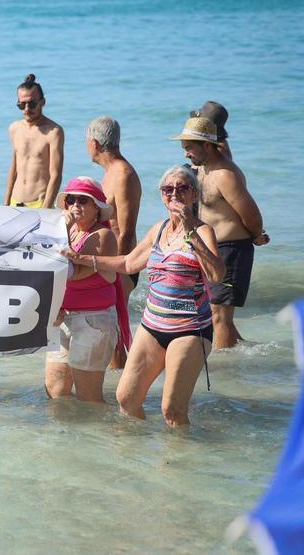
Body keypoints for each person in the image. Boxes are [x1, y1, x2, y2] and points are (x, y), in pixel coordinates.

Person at [64, 165, 225, 426]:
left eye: (182, 188)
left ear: (194, 194)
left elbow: (217, 275)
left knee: (172, 410)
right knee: (126, 399)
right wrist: (81, 258)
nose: (174, 194)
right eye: (168, 189)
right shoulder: (159, 229)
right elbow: (129, 263)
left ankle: (181, 451)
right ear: (162, 195)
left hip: (189, 329)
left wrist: (190, 232)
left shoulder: (203, 231)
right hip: (152, 326)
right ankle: (135, 449)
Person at [173, 116, 269, 349]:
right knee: (213, 312)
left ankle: (225, 366)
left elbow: (252, 215)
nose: (186, 154)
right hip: (209, 247)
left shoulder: (225, 175)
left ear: (207, 145)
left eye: (189, 148)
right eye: (184, 148)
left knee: (219, 316)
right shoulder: (202, 168)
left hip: (231, 251)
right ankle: (246, 353)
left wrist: (256, 236)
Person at [46, 177, 120, 403]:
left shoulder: (102, 235)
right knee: (55, 390)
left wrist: (65, 228)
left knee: (89, 398)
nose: (75, 205)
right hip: (63, 317)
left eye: (83, 200)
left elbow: (73, 271)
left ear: (97, 208)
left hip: (93, 320)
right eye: (71, 199)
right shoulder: (70, 233)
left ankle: (105, 427)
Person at [86, 115, 141, 368]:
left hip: (121, 263)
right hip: (108, 263)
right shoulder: (110, 173)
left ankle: (120, 379)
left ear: (95, 143)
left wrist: (118, 270)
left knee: (115, 327)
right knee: (108, 326)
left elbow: (127, 230)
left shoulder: (123, 174)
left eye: (86, 141)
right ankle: (115, 378)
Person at [3, 73, 64, 208]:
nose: (26, 109)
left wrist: (46, 208)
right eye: (21, 105)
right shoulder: (14, 128)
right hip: (15, 202)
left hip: (39, 204)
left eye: (32, 104)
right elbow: (14, 169)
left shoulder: (54, 132)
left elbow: (56, 174)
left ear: (42, 102)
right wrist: (6, 202)